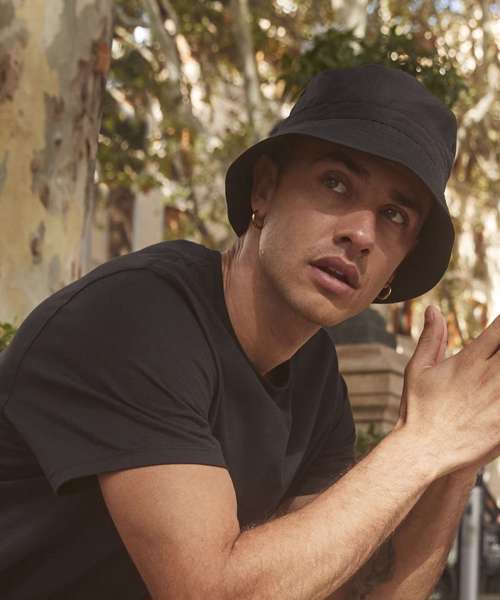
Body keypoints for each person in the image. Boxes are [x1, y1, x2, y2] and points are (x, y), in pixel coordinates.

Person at [0, 64, 499, 600]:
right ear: (264, 190)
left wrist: (459, 455)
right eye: (335, 182)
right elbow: (209, 592)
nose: (360, 234)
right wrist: (422, 442)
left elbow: (362, 593)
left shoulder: (315, 377)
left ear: (396, 267)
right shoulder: (137, 314)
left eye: (394, 215)